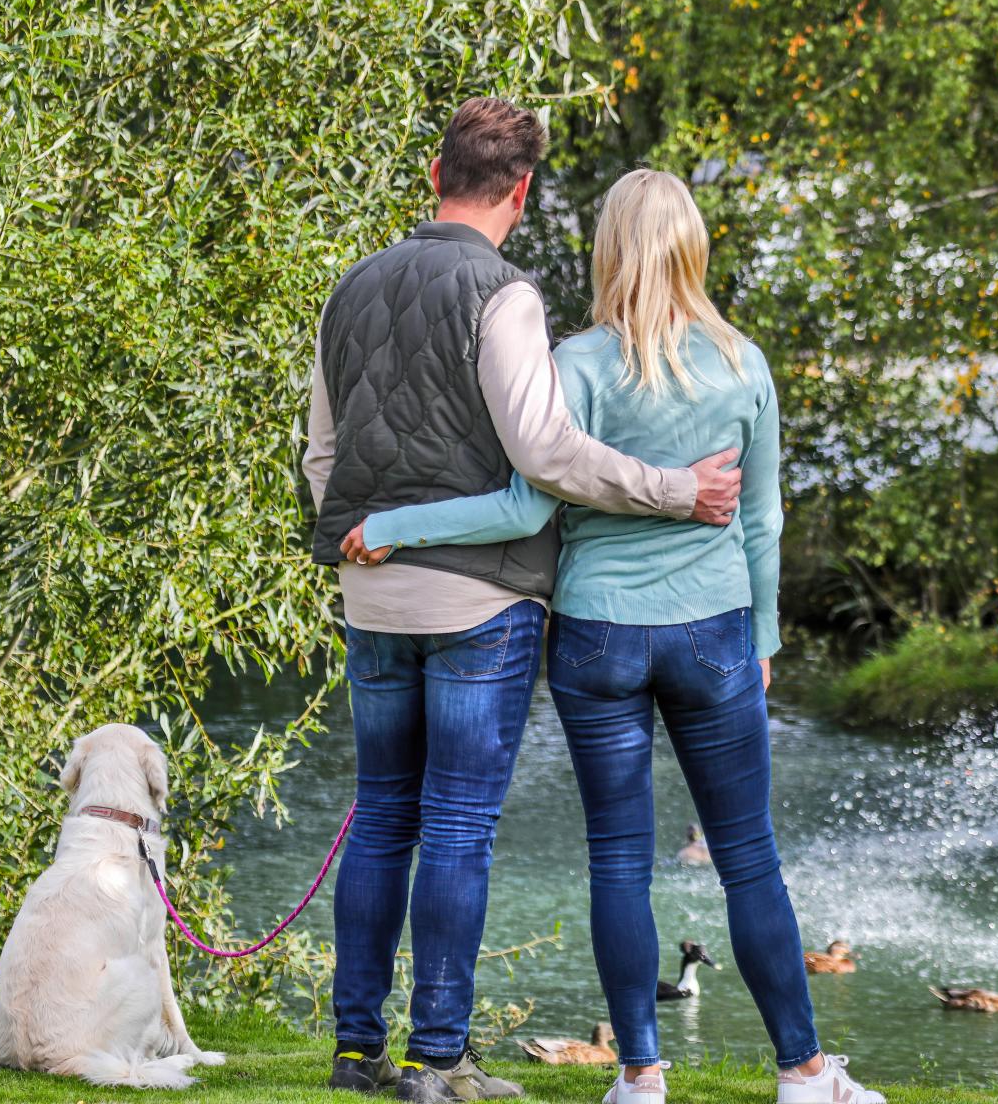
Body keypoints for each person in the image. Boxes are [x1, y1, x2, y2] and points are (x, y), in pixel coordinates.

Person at [343, 170, 885, 1104]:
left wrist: (397, 525)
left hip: (597, 638)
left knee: (619, 864)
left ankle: (639, 1075)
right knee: (748, 856)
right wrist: (763, 638)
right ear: (693, 249)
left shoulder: (580, 364)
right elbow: (763, 520)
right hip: (713, 633)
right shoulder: (742, 364)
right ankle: (803, 1073)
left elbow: (522, 508)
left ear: (608, 252)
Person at [302, 101, 745, 1103]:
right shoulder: (503, 296)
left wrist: (366, 551)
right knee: (457, 826)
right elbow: (545, 453)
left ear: (435, 173)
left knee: (382, 819)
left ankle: (356, 1049)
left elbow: (322, 457)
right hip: (481, 602)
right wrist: (677, 490)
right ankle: (440, 1058)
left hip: (370, 596)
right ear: (523, 191)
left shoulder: (350, 285)